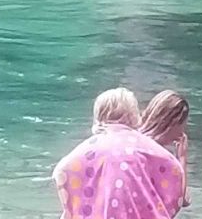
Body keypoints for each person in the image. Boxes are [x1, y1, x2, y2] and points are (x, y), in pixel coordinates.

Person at [53, 89, 184, 219]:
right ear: (133, 114)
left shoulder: (89, 149)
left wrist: (71, 210)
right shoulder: (148, 148)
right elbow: (174, 171)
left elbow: (63, 171)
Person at [140, 90, 190, 207]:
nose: (183, 132)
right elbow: (182, 199)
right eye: (183, 125)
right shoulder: (161, 157)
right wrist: (182, 157)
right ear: (174, 123)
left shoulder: (131, 138)